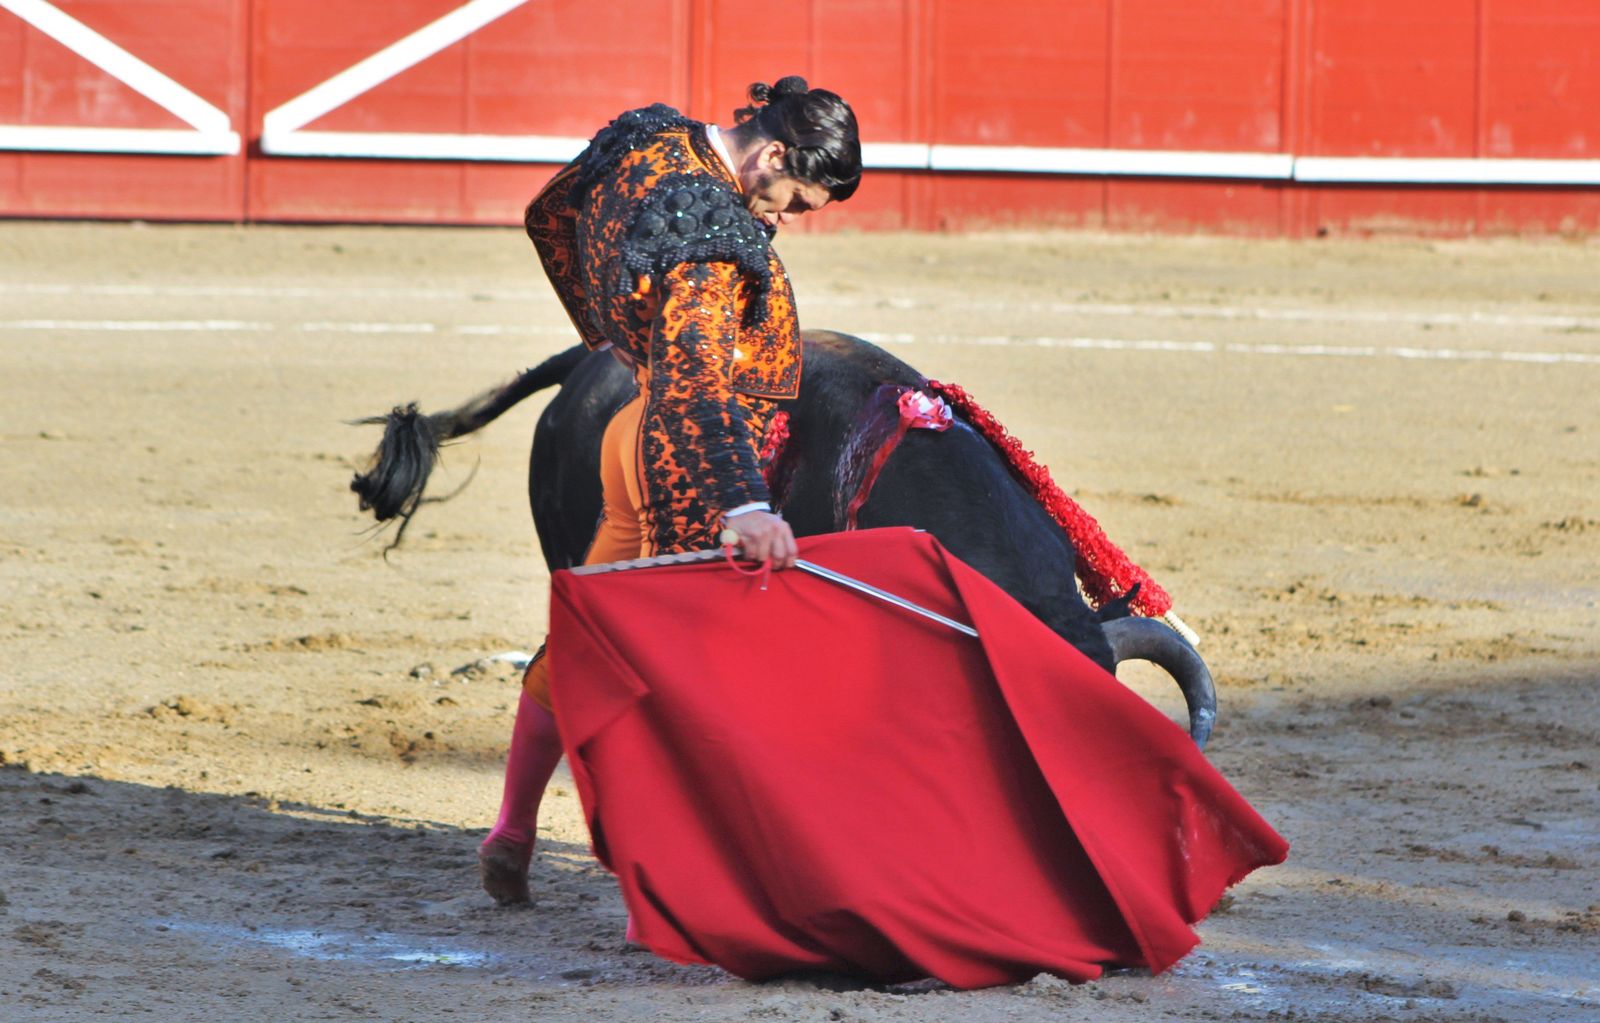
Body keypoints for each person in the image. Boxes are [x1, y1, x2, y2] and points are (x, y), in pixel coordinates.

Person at [478, 76, 862, 904]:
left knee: (587, 641)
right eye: (796, 198)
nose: (787, 219)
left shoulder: (651, 136)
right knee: (681, 678)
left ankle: (512, 827)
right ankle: (661, 894)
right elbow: (695, 384)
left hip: (631, 431)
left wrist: (610, 334)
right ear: (772, 155)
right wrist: (746, 503)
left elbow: (549, 216)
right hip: (682, 460)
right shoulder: (716, 242)